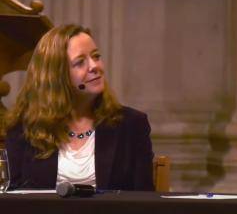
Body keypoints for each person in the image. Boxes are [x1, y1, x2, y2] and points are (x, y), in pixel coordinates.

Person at [3, 24, 154, 191]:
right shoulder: (23, 128)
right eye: (80, 62)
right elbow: (13, 198)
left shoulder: (131, 124)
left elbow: (145, 199)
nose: (95, 66)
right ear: (56, 75)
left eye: (96, 56)